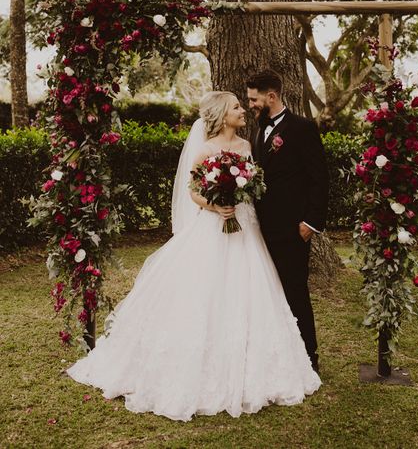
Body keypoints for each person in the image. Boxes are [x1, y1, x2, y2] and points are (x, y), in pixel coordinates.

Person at [67, 91, 320, 421]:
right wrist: (217, 205)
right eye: (236, 107)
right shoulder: (206, 149)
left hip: (246, 227)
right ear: (221, 114)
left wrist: (243, 195)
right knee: (207, 293)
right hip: (214, 227)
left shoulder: (247, 146)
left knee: (252, 292)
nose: (242, 110)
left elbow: (257, 185)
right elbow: (193, 192)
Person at [246, 70, 329, 373]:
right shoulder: (258, 130)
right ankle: (278, 354)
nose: (251, 104)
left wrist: (311, 221)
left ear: (272, 96)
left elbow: (319, 179)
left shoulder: (303, 128)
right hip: (261, 229)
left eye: (254, 99)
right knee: (268, 293)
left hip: (294, 229)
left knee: (295, 291)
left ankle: (309, 357)